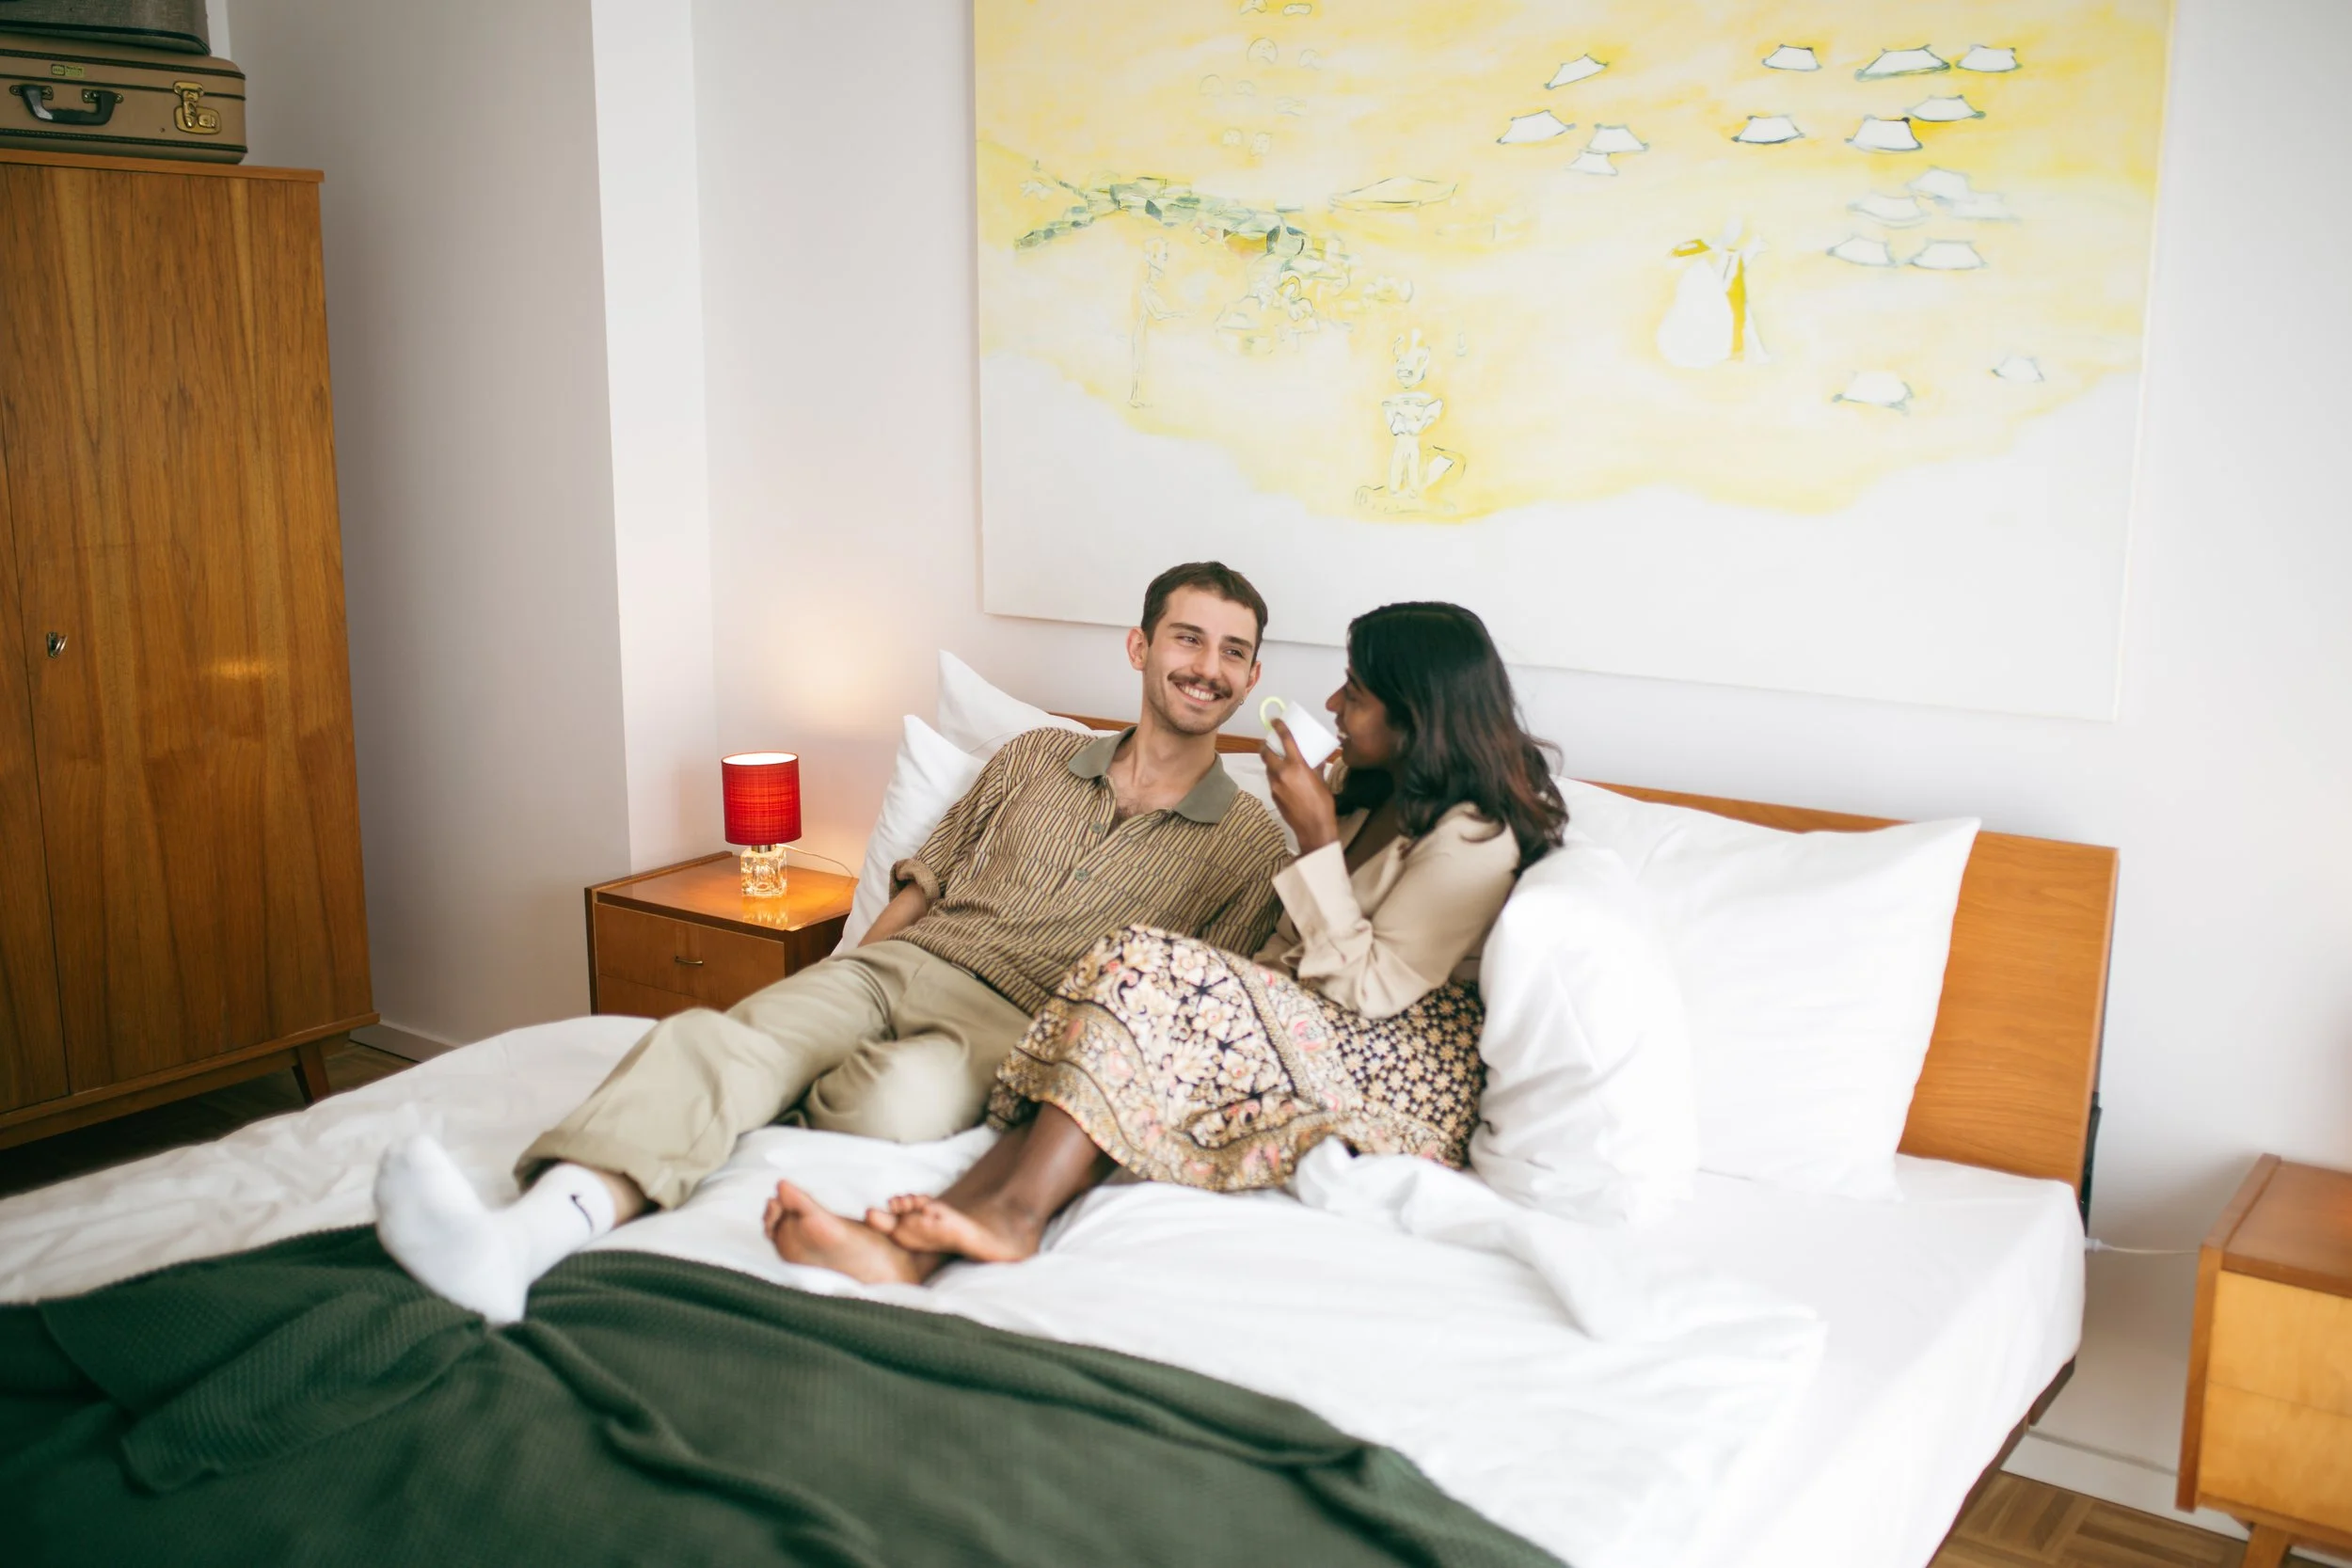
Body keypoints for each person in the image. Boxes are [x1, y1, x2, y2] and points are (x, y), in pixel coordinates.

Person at [374, 562, 1292, 1323]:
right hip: (901, 961)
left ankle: (735, 1108)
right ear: (1140, 646)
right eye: (1187, 637)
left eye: (1232, 651)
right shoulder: (1030, 756)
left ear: (1250, 678)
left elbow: (1184, 1014)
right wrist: (846, 973)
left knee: (889, 1104)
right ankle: (526, 1232)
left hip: (1018, 1025)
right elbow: (920, 880)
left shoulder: (1250, 843)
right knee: (721, 1038)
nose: (1206, 665)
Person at [764, 601, 1566, 1284]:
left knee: (1142, 965)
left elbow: (1372, 989)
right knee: (1126, 992)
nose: (1334, 702)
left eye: (1355, 693)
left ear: (1414, 713)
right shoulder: (1368, 802)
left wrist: (1314, 841)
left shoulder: (1475, 834)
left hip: (1397, 1065)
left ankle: (996, 1221)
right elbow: (1295, 952)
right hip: (1313, 1026)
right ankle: (923, 1244)